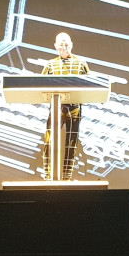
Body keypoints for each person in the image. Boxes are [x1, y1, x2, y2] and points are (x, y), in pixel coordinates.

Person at [40, 32, 90, 180]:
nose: (64, 47)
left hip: (75, 108)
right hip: (57, 108)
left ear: (72, 45)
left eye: (66, 44)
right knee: (49, 141)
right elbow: (39, 83)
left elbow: (91, 84)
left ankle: (67, 176)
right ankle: (48, 174)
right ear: (55, 46)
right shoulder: (50, 64)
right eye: (61, 44)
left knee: (71, 144)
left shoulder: (81, 63)